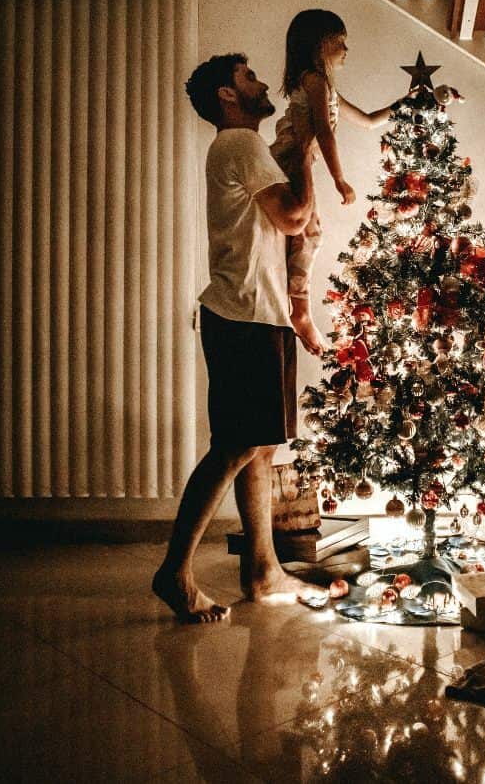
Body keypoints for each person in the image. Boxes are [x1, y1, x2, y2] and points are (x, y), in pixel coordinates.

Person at [153, 52, 324, 623]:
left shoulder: (242, 150)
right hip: (245, 314)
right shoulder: (240, 144)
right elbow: (295, 216)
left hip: (258, 312)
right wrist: (304, 150)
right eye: (247, 78)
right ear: (227, 95)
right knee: (234, 443)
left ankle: (262, 569)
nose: (256, 84)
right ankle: (175, 571)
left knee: (258, 443)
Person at [270, 9, 399, 355]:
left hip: (297, 164)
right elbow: (324, 133)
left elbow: (370, 121)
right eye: (340, 41)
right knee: (308, 233)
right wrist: (340, 180)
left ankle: (295, 307)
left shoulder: (326, 89)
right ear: (319, 45)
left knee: (304, 235)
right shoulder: (314, 80)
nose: (346, 49)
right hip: (290, 163)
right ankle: (299, 312)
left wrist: (405, 103)